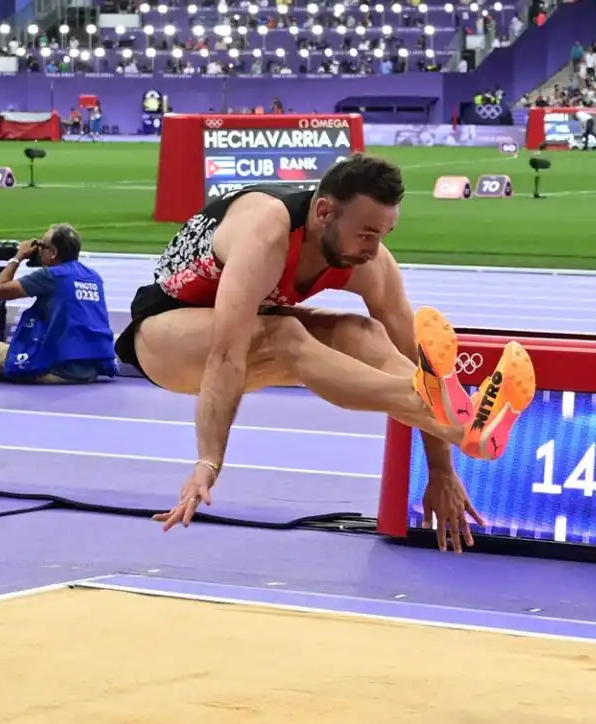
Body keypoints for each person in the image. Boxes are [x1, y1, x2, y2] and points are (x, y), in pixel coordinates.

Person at [115, 153, 534, 545]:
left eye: (384, 235)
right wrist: (208, 462)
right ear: (322, 213)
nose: (373, 249)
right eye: (366, 234)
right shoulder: (266, 235)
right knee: (285, 336)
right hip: (163, 338)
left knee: (362, 332)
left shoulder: (370, 260)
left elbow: (414, 357)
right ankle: (448, 416)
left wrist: (441, 470)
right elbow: (226, 354)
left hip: (249, 330)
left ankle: (463, 426)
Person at [0, 223, 116, 383]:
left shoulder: (51, 276)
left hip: (58, 369)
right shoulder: (93, 276)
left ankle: (1, 372)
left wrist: (18, 257)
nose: (38, 249)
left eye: (42, 246)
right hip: (90, 368)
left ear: (54, 253)